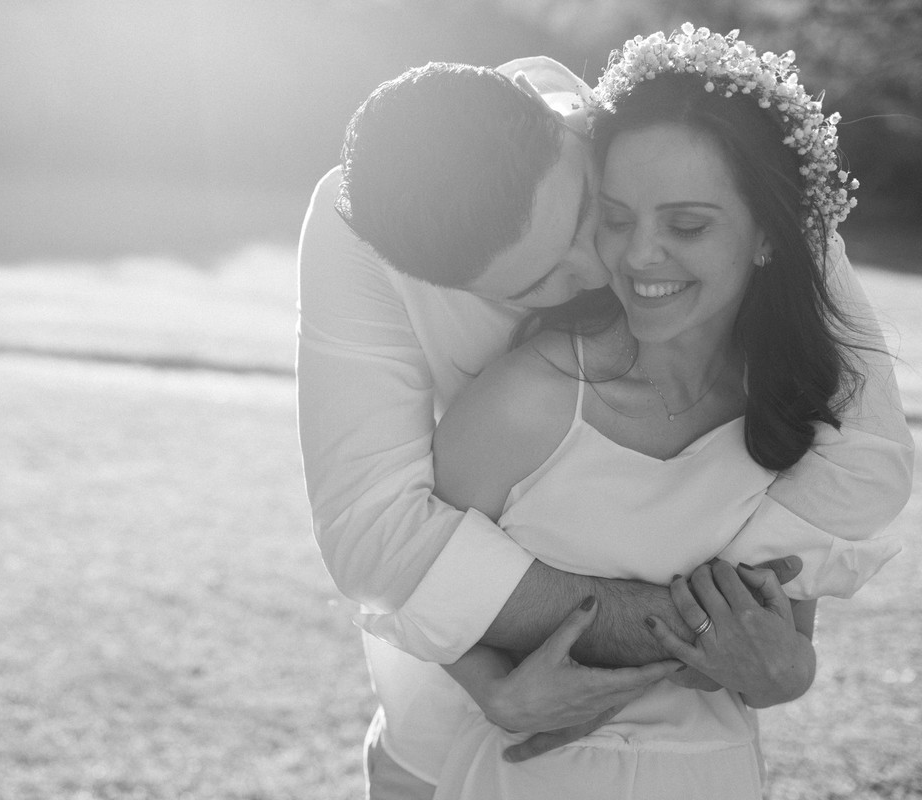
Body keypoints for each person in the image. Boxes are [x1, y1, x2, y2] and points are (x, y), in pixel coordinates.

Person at [294, 48, 913, 800]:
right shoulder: (364, 238)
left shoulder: (693, 159)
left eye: (594, 213)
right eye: (538, 281)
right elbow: (374, 535)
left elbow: (861, 447)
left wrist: (777, 651)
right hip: (460, 741)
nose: (606, 265)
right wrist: (703, 638)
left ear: (571, 136)